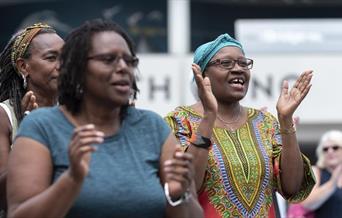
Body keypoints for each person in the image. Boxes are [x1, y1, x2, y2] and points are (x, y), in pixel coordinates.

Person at [6, 19, 203, 218]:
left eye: (129, 60)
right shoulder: (42, 127)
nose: (123, 68)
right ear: (77, 67)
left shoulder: (153, 127)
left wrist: (177, 195)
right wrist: (72, 180)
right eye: (109, 59)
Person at [165, 33, 316, 217]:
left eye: (243, 63)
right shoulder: (179, 120)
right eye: (226, 63)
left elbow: (292, 187)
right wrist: (209, 116)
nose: (238, 69)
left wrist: (285, 121)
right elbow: (187, 187)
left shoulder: (265, 122)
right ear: (202, 75)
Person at [0, 23, 64, 213]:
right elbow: (3, 197)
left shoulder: (74, 114)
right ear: (23, 66)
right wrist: (31, 135)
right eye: (51, 58)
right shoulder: (5, 116)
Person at [298, 130, 342, 217]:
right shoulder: (316, 172)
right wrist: (332, 183)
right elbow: (307, 203)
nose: (330, 151)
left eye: (335, 147)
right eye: (325, 149)